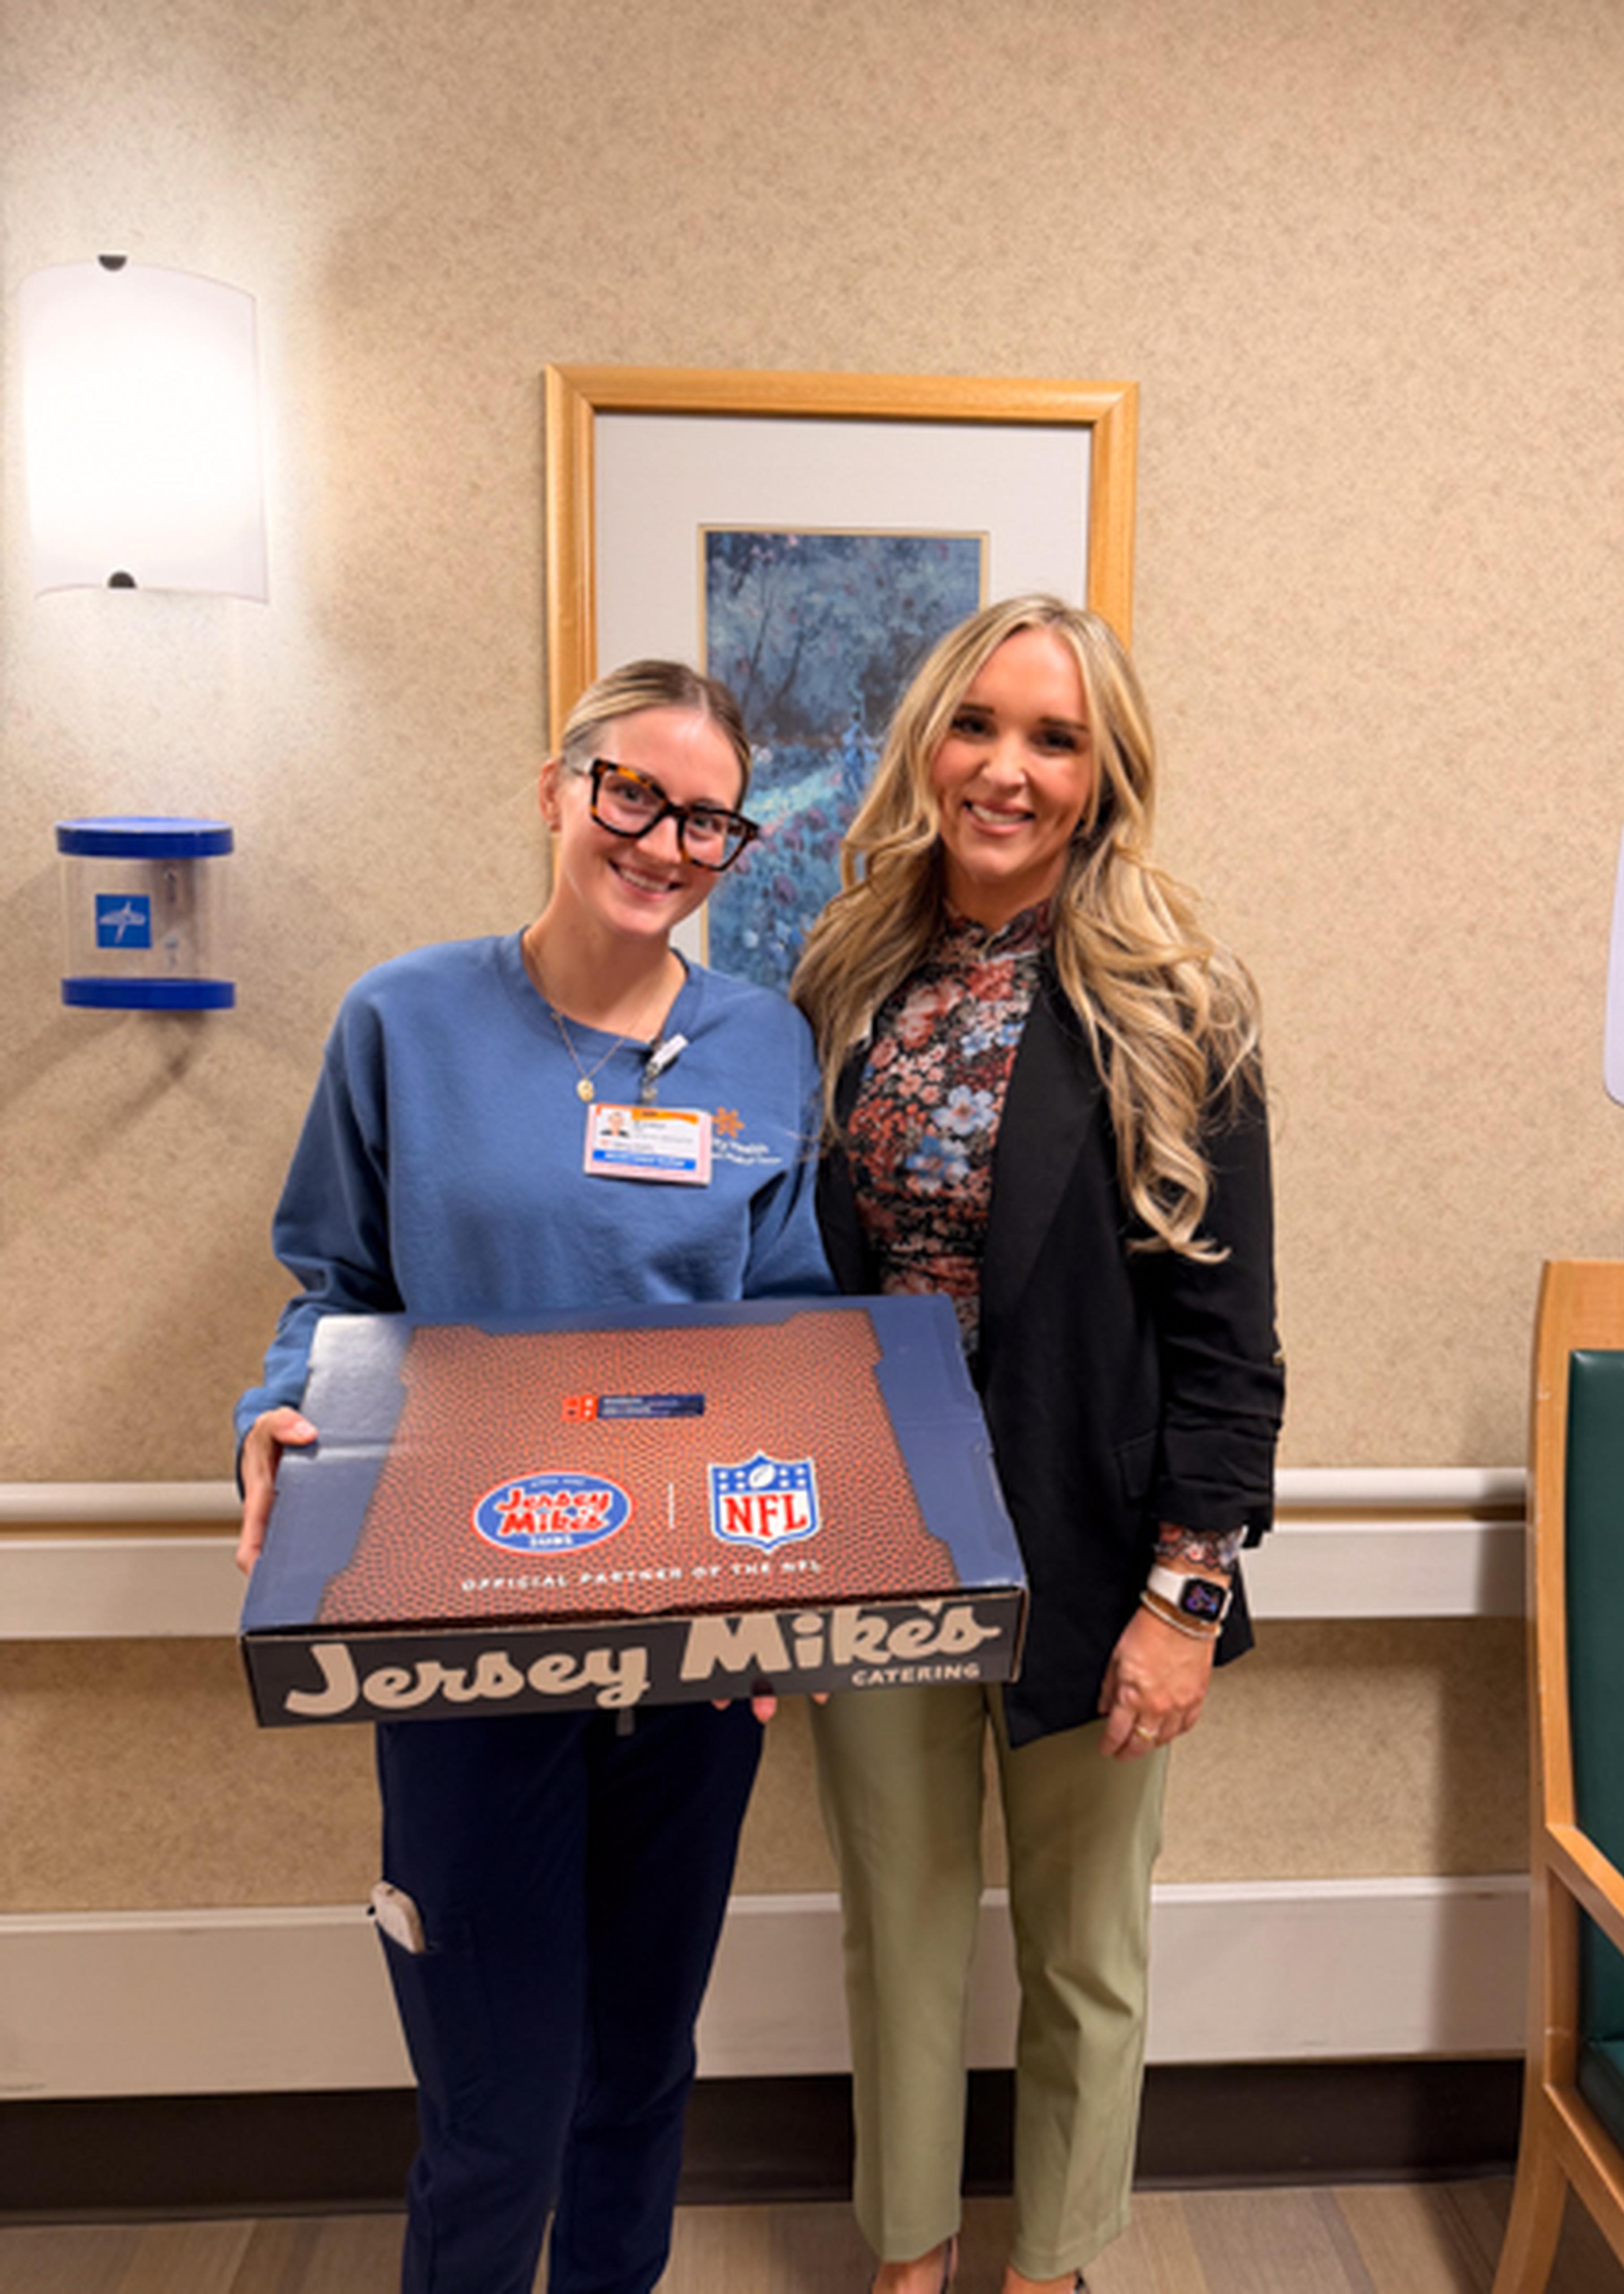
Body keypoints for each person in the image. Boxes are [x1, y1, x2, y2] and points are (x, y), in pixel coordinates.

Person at [235, 660, 831, 2294]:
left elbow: (788, 1331)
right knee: (498, 2112)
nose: (663, 843)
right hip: (464, 1632)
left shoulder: (765, 1045)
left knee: (639, 2075)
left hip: (693, 1649)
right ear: (558, 789)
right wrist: (277, 1417)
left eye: (707, 821)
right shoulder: (403, 1021)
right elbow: (335, 1287)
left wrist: (797, 1582)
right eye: (632, 793)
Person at [792, 597, 1284, 2294]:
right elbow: (797, 1283)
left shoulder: (1177, 1004)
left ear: (1103, 777)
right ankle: (909, 2259)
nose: (1008, 769)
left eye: (1055, 739)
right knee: (900, 1931)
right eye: (979, 725)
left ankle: (1053, 2265)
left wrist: (1185, 1601)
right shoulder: (843, 977)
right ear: (927, 745)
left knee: (1084, 1952)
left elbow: (1229, 1342)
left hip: (1094, 1547)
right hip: (877, 1538)